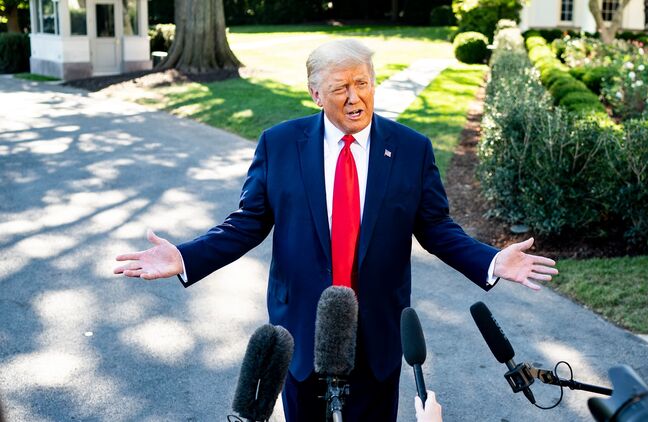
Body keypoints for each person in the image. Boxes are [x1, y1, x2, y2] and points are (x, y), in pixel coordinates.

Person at [113, 38, 557, 421]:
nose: (354, 97)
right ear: (315, 94)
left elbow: (437, 227)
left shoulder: (411, 149)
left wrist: (491, 260)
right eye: (340, 88)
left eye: (362, 83)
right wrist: (186, 256)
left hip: (376, 334)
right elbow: (246, 223)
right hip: (303, 333)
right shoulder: (280, 144)